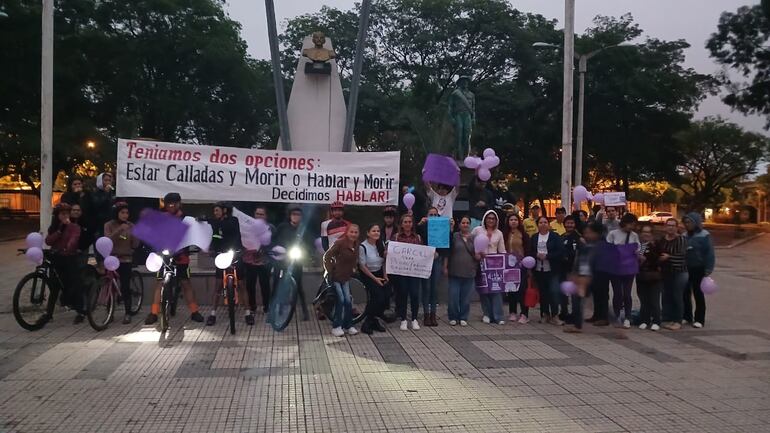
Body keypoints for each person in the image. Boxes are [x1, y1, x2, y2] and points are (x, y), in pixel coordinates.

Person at [145, 193, 204, 325]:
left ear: (179, 204)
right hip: (164, 255)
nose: (171, 206)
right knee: (159, 282)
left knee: (186, 283)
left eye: (173, 204)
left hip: (181, 256)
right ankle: (154, 313)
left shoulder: (186, 219)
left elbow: (194, 235)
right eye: (168, 204)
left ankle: (194, 311)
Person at [207, 201, 253, 326]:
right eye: (214, 211)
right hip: (221, 257)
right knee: (217, 286)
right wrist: (212, 250)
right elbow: (215, 238)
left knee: (242, 285)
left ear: (224, 211)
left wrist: (212, 222)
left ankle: (248, 313)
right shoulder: (216, 224)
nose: (215, 213)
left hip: (235, 255)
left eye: (217, 210)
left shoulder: (233, 220)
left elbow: (230, 230)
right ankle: (212, 313)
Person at [45, 203, 84, 324]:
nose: (65, 216)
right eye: (62, 214)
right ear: (57, 216)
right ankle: (49, 314)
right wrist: (59, 231)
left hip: (69, 258)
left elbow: (74, 238)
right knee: (54, 287)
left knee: (74, 285)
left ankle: (80, 311)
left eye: (67, 214)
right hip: (57, 258)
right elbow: (49, 241)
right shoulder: (55, 227)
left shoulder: (74, 227)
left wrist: (68, 247)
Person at [563, 221, 603, 333]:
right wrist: (574, 273)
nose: (587, 235)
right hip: (581, 277)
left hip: (591, 278)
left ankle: (617, 324)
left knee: (594, 301)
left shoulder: (599, 246)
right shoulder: (584, 245)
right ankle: (577, 324)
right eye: (585, 232)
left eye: (589, 232)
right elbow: (579, 261)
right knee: (577, 301)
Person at [104, 202, 139, 324]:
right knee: (110, 285)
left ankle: (128, 313)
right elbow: (107, 240)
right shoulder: (108, 225)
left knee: (125, 286)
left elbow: (135, 244)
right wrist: (119, 230)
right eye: (122, 213)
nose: (125, 215)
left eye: (127, 213)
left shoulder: (131, 225)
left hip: (126, 259)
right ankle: (109, 312)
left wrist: (135, 235)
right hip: (111, 259)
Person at [323, 224, 361, 337]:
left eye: (356, 232)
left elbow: (354, 259)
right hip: (336, 276)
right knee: (341, 300)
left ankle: (348, 325)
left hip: (346, 277)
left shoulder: (356, 244)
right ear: (347, 232)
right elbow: (327, 256)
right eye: (351, 232)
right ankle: (336, 326)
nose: (353, 234)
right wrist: (330, 270)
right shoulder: (340, 243)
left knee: (348, 301)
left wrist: (354, 268)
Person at [274, 205, 311, 320]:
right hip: (282, 260)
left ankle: (304, 310)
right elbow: (275, 240)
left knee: (298, 286)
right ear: (290, 216)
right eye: (293, 214)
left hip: (296, 261)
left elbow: (308, 245)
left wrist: (306, 253)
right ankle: (276, 310)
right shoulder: (282, 227)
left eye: (298, 215)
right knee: (279, 285)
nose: (296, 217)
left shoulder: (303, 229)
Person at [471, 210, 506, 324]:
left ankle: (498, 316)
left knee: (496, 290)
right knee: (484, 290)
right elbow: (470, 244)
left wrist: (507, 263)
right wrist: (476, 253)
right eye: (489, 218)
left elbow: (502, 250)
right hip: (481, 264)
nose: (491, 220)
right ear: (485, 219)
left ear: (496, 220)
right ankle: (486, 314)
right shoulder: (477, 230)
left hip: (495, 266)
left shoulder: (499, 233)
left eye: (493, 218)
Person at [529, 216, 565, 326]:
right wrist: (536, 255)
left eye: (545, 222)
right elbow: (530, 251)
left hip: (552, 270)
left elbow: (561, 252)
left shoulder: (555, 237)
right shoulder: (534, 237)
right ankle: (545, 314)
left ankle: (555, 315)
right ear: (537, 224)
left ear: (548, 225)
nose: (543, 224)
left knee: (554, 292)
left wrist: (547, 256)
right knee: (543, 293)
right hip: (539, 269)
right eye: (540, 222)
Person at [606, 213, 640, 328]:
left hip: (629, 268)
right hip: (615, 268)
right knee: (617, 293)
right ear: (625, 223)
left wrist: (637, 253)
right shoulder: (613, 234)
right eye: (631, 224)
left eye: (634, 225)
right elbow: (608, 248)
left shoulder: (634, 235)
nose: (632, 227)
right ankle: (616, 316)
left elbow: (639, 248)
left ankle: (628, 316)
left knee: (627, 293)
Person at [682, 212, 715, 328]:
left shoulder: (704, 235)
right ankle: (687, 316)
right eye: (685, 222)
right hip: (686, 268)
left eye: (689, 222)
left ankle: (699, 319)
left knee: (698, 294)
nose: (687, 224)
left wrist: (708, 268)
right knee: (685, 293)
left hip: (699, 268)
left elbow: (709, 253)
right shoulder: (684, 235)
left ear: (695, 222)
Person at [444, 216, 478, 326]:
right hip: (454, 271)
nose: (465, 225)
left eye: (467, 223)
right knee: (453, 296)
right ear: (459, 225)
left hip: (469, 271)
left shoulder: (474, 238)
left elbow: (477, 254)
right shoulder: (454, 236)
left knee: (466, 297)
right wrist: (445, 266)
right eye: (463, 222)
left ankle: (463, 316)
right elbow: (447, 253)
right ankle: (453, 316)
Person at [358, 224, 389, 334]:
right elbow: (362, 266)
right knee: (378, 297)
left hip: (380, 272)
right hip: (368, 274)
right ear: (368, 233)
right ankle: (367, 322)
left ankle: (374, 320)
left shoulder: (380, 244)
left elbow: (384, 261)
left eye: (378, 231)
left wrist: (385, 275)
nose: (376, 233)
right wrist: (375, 279)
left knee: (386, 297)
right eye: (373, 231)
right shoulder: (363, 247)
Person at [394, 214, 423, 331]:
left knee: (415, 295)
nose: (407, 224)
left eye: (409, 222)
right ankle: (403, 319)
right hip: (401, 272)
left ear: (412, 224)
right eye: (405, 222)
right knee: (403, 295)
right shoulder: (396, 237)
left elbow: (422, 253)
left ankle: (414, 319)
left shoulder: (418, 238)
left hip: (414, 272)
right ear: (401, 224)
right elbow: (390, 250)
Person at [243, 206, 274, 314]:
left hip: (264, 261)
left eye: (262, 214)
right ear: (254, 215)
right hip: (249, 261)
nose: (259, 216)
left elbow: (274, 243)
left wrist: (264, 250)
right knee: (250, 285)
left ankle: (267, 306)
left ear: (266, 216)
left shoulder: (270, 227)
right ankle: (252, 306)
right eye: (257, 214)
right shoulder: (247, 227)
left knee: (265, 285)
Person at [659, 218, 688, 331]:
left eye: (673, 225)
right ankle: (666, 318)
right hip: (665, 272)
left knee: (677, 296)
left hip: (679, 272)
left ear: (677, 227)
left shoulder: (681, 239)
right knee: (666, 295)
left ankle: (677, 320)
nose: (670, 227)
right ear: (665, 227)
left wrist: (669, 257)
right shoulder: (662, 240)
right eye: (668, 225)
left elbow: (682, 255)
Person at [417, 207, 444, 326]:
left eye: (435, 215)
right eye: (430, 215)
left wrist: (450, 228)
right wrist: (419, 224)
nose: (433, 217)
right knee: (426, 288)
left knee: (434, 288)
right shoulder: (422, 227)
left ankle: (433, 314)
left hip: (437, 260)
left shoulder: (442, 228)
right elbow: (416, 240)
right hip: (425, 261)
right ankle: (426, 314)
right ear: (427, 216)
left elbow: (446, 245)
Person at [503, 213, 530, 323]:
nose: (513, 222)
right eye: (511, 220)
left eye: (515, 220)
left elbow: (528, 249)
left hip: (521, 265)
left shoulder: (523, 234)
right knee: (511, 289)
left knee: (522, 289)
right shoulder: (505, 234)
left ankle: (524, 314)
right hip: (509, 265)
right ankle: (512, 312)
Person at [636, 223, 662, 331]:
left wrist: (649, 254)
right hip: (641, 276)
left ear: (652, 234)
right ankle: (644, 320)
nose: (646, 234)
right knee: (644, 299)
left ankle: (656, 320)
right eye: (644, 232)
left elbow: (658, 259)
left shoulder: (656, 245)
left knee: (654, 300)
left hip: (654, 276)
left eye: (648, 232)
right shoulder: (638, 245)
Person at [560, 215, 581, 322]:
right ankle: (564, 312)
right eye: (568, 223)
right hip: (563, 269)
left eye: (571, 223)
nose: (569, 225)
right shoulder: (561, 237)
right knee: (563, 292)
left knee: (574, 294)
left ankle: (575, 314)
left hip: (575, 270)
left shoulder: (579, 238)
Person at [89, 172, 115, 260]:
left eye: (109, 180)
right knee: (100, 252)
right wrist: (106, 194)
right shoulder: (96, 193)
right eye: (105, 180)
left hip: (111, 225)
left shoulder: (112, 193)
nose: (108, 182)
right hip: (99, 226)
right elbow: (97, 205)